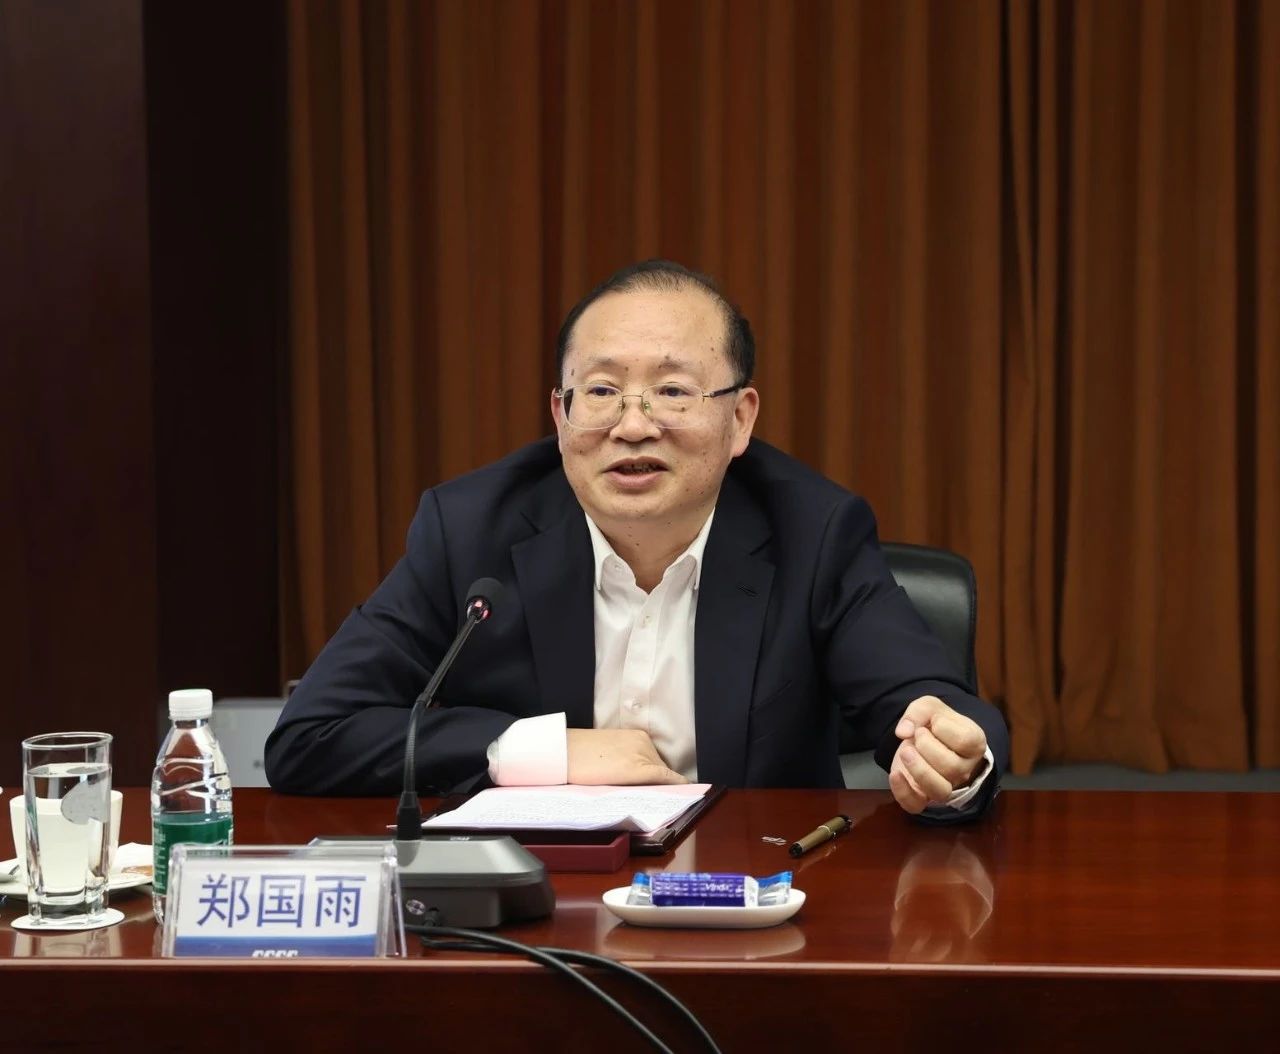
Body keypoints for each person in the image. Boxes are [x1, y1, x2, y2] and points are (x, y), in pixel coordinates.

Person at [265, 260, 1009, 820]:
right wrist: (543, 751)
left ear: (741, 419)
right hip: (537, 909)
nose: (631, 425)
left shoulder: (813, 532)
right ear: (560, 416)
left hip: (753, 905)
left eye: (672, 391)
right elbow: (311, 737)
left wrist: (953, 761)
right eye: (601, 391)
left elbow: (944, 713)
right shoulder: (470, 531)